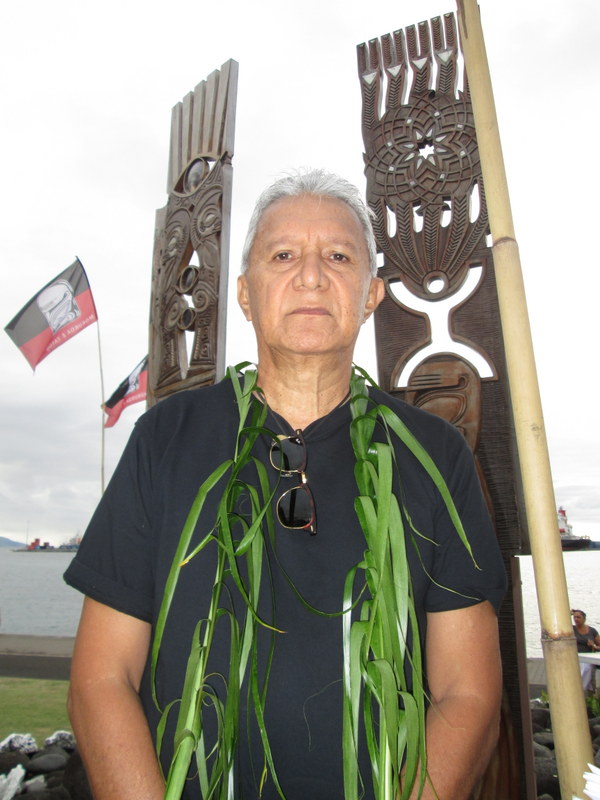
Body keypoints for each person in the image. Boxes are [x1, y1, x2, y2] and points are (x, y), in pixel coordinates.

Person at [64, 169, 507, 800]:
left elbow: (470, 692)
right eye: (283, 255)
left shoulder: (435, 455)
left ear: (372, 293)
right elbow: (100, 678)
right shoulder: (165, 439)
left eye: (338, 255)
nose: (310, 275)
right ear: (245, 293)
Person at [572, 609, 600, 693]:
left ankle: (580, 690)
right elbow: (560, 625)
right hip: (575, 657)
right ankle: (583, 689)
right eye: (574, 617)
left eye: (578, 617)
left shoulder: (592, 631)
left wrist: (594, 646)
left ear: (584, 619)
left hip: (587, 657)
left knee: (586, 668)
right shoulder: (571, 629)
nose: (576, 619)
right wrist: (568, 613)